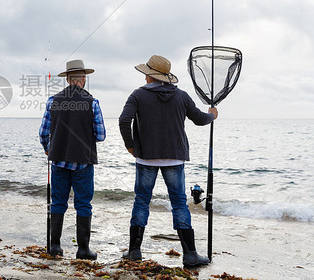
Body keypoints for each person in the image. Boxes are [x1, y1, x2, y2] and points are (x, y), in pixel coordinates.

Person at [118, 55, 217, 267]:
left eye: (146, 72)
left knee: (141, 200)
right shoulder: (181, 96)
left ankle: (134, 251)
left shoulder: (138, 95)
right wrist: (212, 116)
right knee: (179, 202)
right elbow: (200, 119)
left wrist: (130, 145)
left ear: (150, 76)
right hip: (175, 157)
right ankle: (190, 254)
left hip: (146, 158)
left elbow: (124, 120)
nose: (144, 76)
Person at [39, 59, 106, 260]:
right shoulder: (92, 103)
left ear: (68, 79)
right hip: (83, 161)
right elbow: (101, 135)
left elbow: (43, 133)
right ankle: (83, 250)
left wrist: (48, 149)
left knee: (58, 203)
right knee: (83, 204)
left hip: (58, 160)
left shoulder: (53, 101)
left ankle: (55, 246)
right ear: (83, 79)